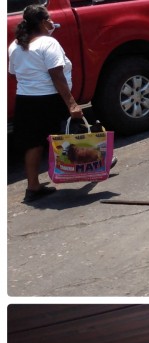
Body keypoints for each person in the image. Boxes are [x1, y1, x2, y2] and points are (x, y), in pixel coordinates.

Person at [8, 4, 83, 202]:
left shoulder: (15, 45)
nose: (51, 22)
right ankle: (93, 164)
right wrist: (72, 104)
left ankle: (33, 186)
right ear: (42, 22)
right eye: (48, 19)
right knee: (72, 132)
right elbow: (57, 75)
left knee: (33, 143)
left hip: (25, 100)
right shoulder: (48, 43)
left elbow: (13, 73)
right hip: (50, 99)